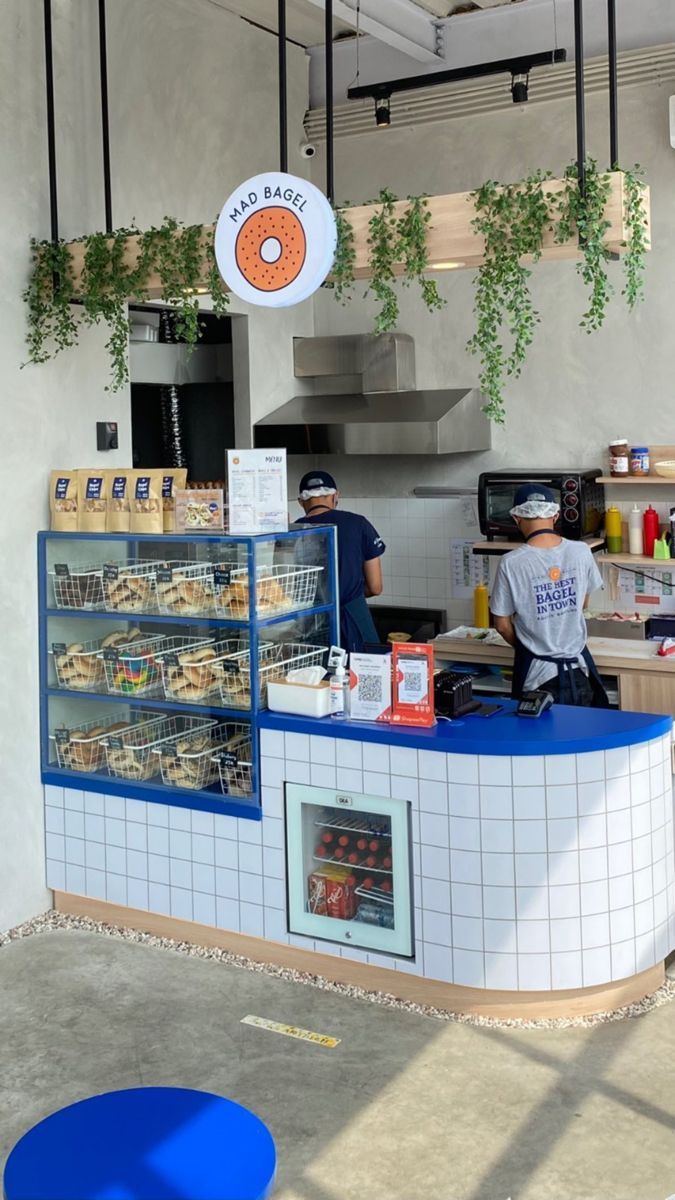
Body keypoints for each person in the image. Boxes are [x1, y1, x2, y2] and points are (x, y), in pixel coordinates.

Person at [490, 483, 608, 707]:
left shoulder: (511, 562)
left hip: (537, 676)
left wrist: (528, 647)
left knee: (540, 740)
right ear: (555, 515)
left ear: (516, 518)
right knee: (581, 739)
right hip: (579, 671)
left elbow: (502, 625)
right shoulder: (581, 551)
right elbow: (582, 602)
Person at [295, 470, 385, 653]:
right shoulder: (358, 524)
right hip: (353, 617)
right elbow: (375, 587)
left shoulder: (290, 531)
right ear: (336, 496)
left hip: (311, 622)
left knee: (317, 677)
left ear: (301, 502)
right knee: (363, 675)